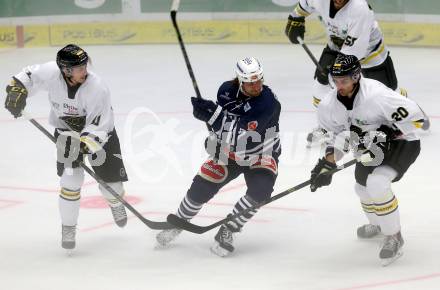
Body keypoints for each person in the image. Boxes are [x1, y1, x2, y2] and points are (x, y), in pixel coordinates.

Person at [4, 44, 129, 251]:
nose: (85, 70)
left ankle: (115, 203)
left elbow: (100, 126)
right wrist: (17, 91)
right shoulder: (51, 72)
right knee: (70, 181)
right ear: (66, 70)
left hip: (101, 137)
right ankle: (68, 227)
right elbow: (27, 76)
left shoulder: (97, 87)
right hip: (66, 135)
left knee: (112, 186)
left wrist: (85, 146)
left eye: (84, 65)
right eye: (79, 67)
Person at [156, 57, 281, 257]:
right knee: (200, 188)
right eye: (250, 82)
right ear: (240, 80)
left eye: (259, 80)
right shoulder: (225, 91)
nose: (256, 85)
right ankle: (178, 222)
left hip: (260, 154)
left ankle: (229, 228)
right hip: (229, 154)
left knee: (261, 192)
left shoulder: (268, 102)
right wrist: (213, 137)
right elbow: (224, 127)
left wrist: (212, 116)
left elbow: (242, 136)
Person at [309, 53, 423, 265]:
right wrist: (328, 163)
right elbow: (338, 137)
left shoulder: (377, 95)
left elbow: (417, 117)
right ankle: (379, 224)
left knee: (377, 183)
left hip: (402, 142)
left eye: (344, 81)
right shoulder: (328, 105)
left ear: (356, 76)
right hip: (369, 144)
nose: (339, 85)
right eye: (336, 81)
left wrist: (389, 133)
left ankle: (394, 236)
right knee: (362, 188)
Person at [285, 0, 429, 146]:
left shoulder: (359, 8)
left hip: (370, 52)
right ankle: (327, 128)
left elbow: (354, 51)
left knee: (388, 92)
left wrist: (335, 71)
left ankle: (410, 109)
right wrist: (296, 18)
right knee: (321, 84)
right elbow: (304, 5)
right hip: (336, 46)